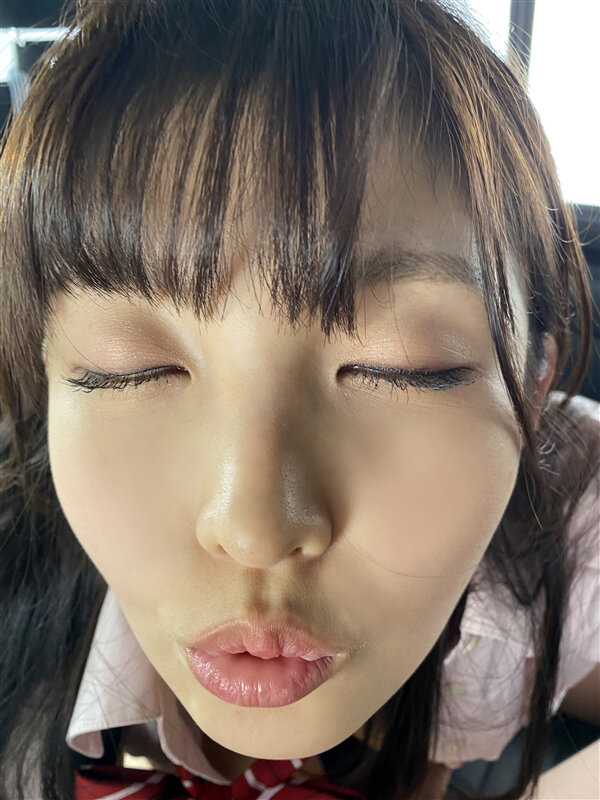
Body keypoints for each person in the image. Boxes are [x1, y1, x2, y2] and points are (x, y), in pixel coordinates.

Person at [0, 1, 598, 799]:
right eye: (130, 368)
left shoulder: (565, 516)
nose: (254, 530)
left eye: (401, 366)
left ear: (532, 385)